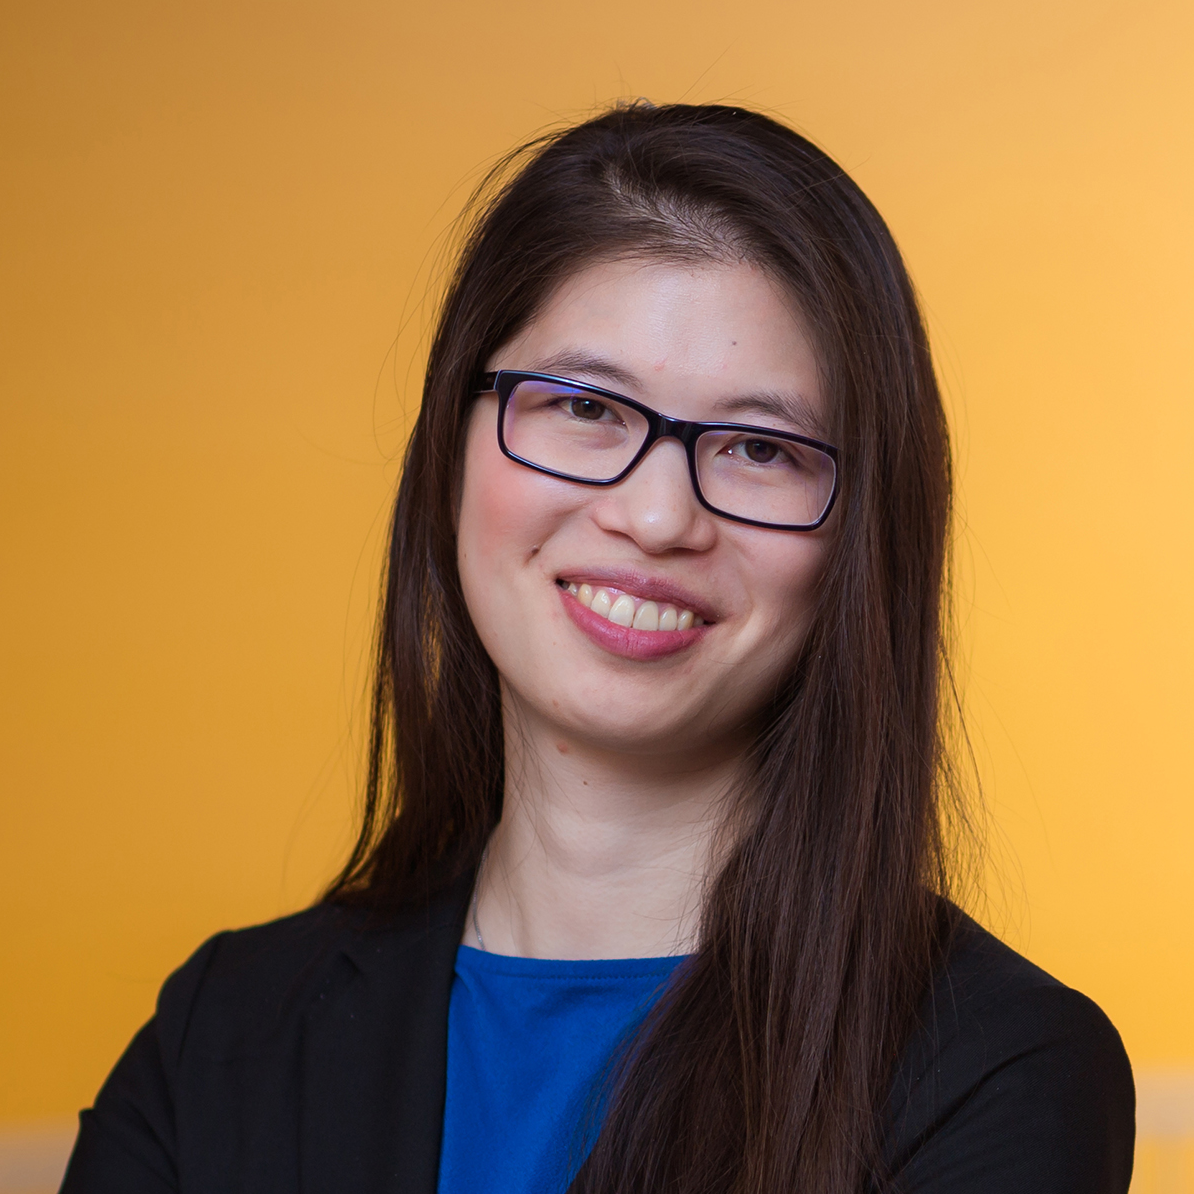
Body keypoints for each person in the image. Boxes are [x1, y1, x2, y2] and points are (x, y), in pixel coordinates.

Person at [60, 102, 1134, 1194]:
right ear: (450, 445)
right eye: (585, 407)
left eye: (760, 448)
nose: (658, 517)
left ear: (864, 535)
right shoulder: (221, 1035)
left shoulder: (998, 1071)